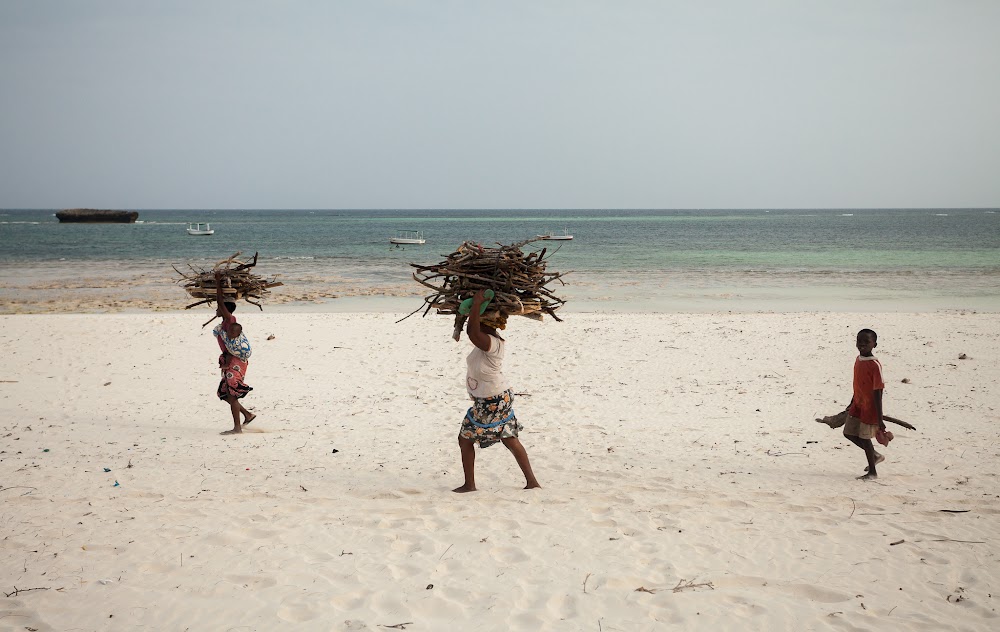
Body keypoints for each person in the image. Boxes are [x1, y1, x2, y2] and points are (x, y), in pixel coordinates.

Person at [453, 289, 540, 493]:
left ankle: (470, 485)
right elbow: (473, 331)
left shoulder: (492, 344)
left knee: (466, 438)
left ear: (488, 326)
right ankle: (532, 482)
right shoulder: (487, 343)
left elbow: (472, 332)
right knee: (508, 437)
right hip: (492, 398)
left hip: (493, 399)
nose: (477, 324)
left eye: (481, 322)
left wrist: (476, 304)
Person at [213, 273, 255, 434]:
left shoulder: (230, 320)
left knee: (232, 393)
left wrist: (218, 282)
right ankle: (247, 414)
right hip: (229, 361)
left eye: (219, 308)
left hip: (235, 361)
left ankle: (237, 428)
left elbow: (220, 302)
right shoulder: (224, 323)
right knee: (226, 393)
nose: (217, 310)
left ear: (224, 310)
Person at [842, 328, 886, 479]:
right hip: (858, 405)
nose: (862, 344)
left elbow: (878, 392)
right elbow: (858, 385)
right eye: (859, 341)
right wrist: (852, 402)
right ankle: (874, 455)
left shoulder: (875, 365)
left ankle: (872, 472)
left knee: (865, 438)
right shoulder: (858, 359)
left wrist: (879, 419)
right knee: (848, 433)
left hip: (870, 408)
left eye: (866, 342)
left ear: (875, 344)